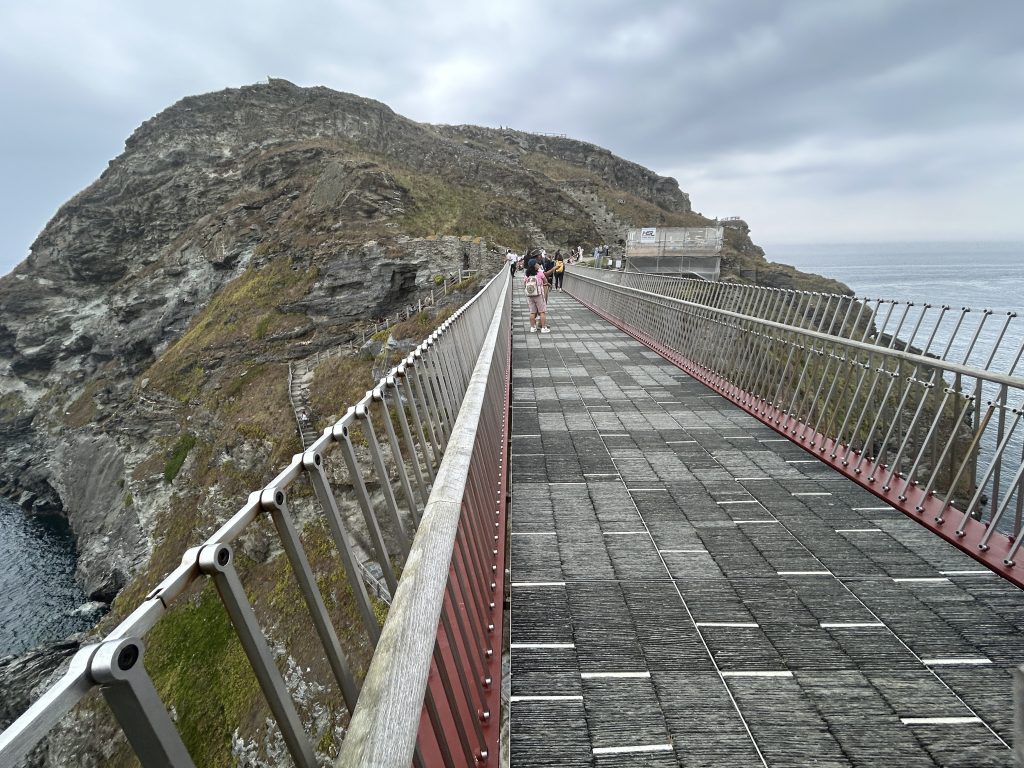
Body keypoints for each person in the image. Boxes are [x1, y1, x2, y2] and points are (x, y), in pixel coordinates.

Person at [523, 259, 550, 333]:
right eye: (537, 264)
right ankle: (543, 328)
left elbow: (525, 284)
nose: (538, 264)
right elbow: (546, 282)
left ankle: (532, 327)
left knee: (532, 312)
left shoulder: (527, 275)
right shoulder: (540, 273)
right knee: (542, 312)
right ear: (535, 266)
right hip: (539, 295)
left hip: (530, 295)